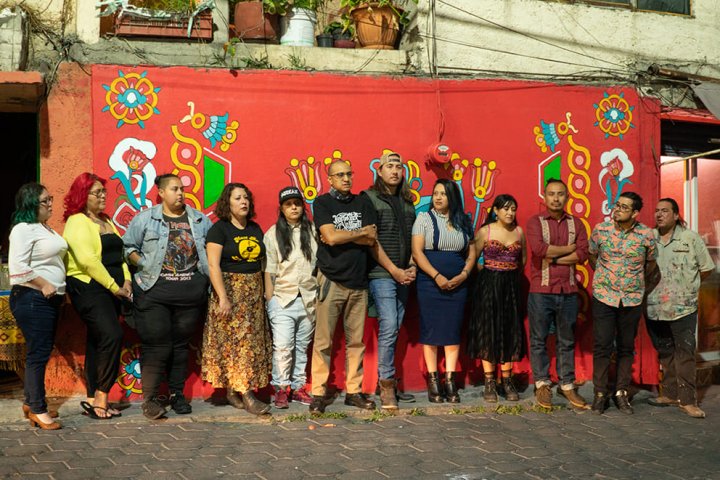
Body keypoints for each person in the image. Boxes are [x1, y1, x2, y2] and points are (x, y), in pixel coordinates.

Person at [123, 173, 212, 420]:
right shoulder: (146, 219)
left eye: (182, 189)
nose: (180, 193)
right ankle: (150, 400)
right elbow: (128, 247)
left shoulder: (199, 220)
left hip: (189, 296)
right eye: (174, 189)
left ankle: (177, 395)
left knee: (180, 346)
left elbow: (212, 253)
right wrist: (144, 262)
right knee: (156, 346)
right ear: (161, 192)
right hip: (154, 294)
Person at [310, 160, 378, 413]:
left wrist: (343, 235)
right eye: (340, 175)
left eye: (349, 173)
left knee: (356, 342)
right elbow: (330, 236)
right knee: (323, 341)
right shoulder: (323, 203)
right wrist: (357, 233)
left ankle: (354, 392)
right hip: (331, 279)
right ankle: (318, 393)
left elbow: (372, 236)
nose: (346, 178)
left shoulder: (363, 202)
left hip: (359, 282)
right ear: (330, 179)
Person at [63, 173, 132, 420]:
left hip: (112, 288)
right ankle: (102, 394)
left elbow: (120, 255)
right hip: (89, 288)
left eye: (104, 191)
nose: (103, 196)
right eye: (97, 192)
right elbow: (88, 260)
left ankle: (92, 397)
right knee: (112, 335)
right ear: (83, 195)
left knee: (96, 341)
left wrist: (127, 280)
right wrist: (115, 286)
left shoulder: (106, 220)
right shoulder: (77, 221)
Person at [202, 183, 272, 416]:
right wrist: (223, 297)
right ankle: (248, 395)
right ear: (227, 203)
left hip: (253, 294)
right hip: (230, 292)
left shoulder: (255, 228)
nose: (244, 202)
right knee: (236, 346)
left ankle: (234, 391)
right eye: (237, 198)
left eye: (246, 198)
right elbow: (213, 265)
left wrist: (265, 289)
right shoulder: (218, 229)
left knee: (249, 344)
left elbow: (262, 262)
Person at [589, 191, 658, 415]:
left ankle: (621, 392)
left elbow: (650, 264)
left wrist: (635, 284)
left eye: (624, 207)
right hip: (604, 296)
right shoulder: (601, 230)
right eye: (617, 205)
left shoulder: (646, 235)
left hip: (631, 299)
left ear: (636, 213)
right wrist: (605, 278)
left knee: (626, 347)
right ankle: (600, 393)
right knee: (602, 345)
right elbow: (592, 256)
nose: (617, 209)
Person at [646, 198, 714, 419]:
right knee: (665, 350)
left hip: (683, 307)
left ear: (676, 215)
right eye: (657, 211)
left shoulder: (690, 238)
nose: (659, 214)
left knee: (684, 353)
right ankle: (670, 393)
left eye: (665, 211)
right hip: (654, 305)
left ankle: (688, 401)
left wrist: (688, 288)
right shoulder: (649, 238)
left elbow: (706, 269)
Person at [525, 179, 589, 409]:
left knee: (567, 340)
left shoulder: (577, 223)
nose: (556, 198)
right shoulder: (535, 222)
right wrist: (568, 250)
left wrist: (553, 257)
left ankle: (567, 385)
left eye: (560, 194)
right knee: (539, 339)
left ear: (567, 196)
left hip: (569, 291)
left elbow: (582, 254)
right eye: (551, 194)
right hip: (541, 291)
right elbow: (539, 250)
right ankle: (542, 383)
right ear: (544, 196)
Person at [8, 183, 67, 430]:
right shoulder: (23, 229)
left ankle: (32, 401)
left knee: (40, 352)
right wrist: (44, 283)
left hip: (49, 300)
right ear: (31, 204)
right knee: (38, 354)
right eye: (45, 201)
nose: (51, 204)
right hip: (32, 298)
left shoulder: (44, 228)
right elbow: (17, 268)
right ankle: (38, 410)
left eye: (50, 199)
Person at [412, 179, 476, 404]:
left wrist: (464, 274)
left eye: (443, 194)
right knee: (431, 331)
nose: (438, 198)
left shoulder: (464, 222)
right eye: (435, 193)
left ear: (452, 197)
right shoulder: (423, 219)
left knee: (452, 331)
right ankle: (433, 381)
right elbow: (418, 253)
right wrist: (437, 276)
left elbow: (472, 252)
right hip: (430, 283)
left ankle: (450, 380)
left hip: (458, 285)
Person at [363, 152, 417, 410]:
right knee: (389, 326)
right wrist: (395, 270)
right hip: (382, 274)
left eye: (399, 167)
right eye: (390, 166)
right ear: (380, 171)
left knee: (394, 329)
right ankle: (386, 385)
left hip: (405, 275)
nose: (395, 171)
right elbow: (371, 241)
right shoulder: (370, 198)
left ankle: (386, 381)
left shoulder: (408, 202)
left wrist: (412, 267)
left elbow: (415, 239)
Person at [467, 194, 526, 403]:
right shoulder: (486, 231)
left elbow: (523, 261)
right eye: (506, 209)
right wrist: (486, 273)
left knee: (509, 331)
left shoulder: (519, 232)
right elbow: (472, 257)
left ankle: (507, 380)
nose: (510, 213)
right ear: (496, 211)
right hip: (488, 287)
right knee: (488, 330)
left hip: (510, 288)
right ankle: (490, 381)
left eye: (513, 209)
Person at [264, 187, 318, 409]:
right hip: (283, 298)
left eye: (297, 203)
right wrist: (271, 301)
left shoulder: (313, 231)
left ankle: (297, 388)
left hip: (308, 298)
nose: (293, 207)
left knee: (302, 347)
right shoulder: (273, 233)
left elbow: (319, 267)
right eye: (288, 204)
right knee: (283, 347)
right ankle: (280, 389)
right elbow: (269, 270)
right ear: (282, 208)